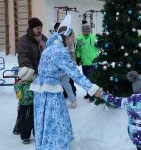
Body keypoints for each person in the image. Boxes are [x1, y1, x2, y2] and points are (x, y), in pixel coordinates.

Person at [30, 16, 99, 150]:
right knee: (54, 122)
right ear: (66, 37)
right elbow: (75, 74)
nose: (73, 40)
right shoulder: (59, 52)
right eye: (72, 37)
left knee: (45, 122)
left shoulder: (50, 48)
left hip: (41, 93)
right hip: (50, 94)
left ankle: (46, 145)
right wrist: (93, 89)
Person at [13, 17, 47, 134]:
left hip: (42, 76)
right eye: (37, 28)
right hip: (29, 76)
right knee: (25, 102)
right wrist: (33, 73)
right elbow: (23, 59)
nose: (39, 30)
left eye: (41, 28)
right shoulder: (24, 40)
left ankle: (36, 126)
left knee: (38, 103)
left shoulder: (44, 39)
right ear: (31, 28)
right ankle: (20, 124)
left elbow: (49, 55)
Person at [52, 21, 77, 107]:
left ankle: (73, 100)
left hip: (65, 66)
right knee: (57, 85)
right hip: (56, 67)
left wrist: (73, 61)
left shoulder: (66, 40)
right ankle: (58, 102)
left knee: (66, 83)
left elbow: (72, 50)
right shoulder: (55, 41)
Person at [76, 23, 99, 102]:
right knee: (86, 79)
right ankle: (88, 93)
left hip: (93, 62)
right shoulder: (79, 39)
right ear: (82, 31)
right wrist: (78, 58)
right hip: (84, 62)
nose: (85, 32)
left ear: (89, 31)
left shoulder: (93, 37)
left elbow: (97, 47)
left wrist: (98, 57)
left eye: (87, 31)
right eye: (84, 31)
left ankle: (93, 94)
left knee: (92, 79)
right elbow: (78, 50)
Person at [14, 67, 35, 144]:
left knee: (34, 120)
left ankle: (37, 134)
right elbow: (21, 96)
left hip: (32, 105)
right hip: (25, 106)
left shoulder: (31, 83)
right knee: (25, 121)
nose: (33, 76)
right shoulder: (21, 85)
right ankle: (25, 136)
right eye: (32, 75)